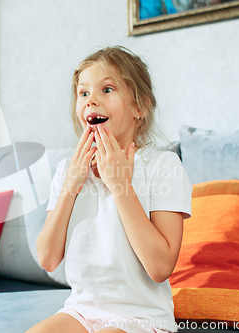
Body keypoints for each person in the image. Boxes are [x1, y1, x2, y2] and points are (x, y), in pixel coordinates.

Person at [27, 46, 193, 333]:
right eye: (83, 93)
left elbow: (160, 267)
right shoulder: (68, 170)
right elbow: (48, 259)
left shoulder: (162, 166)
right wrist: (71, 185)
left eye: (107, 89)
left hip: (143, 318)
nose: (91, 101)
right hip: (81, 311)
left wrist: (120, 185)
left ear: (139, 107)